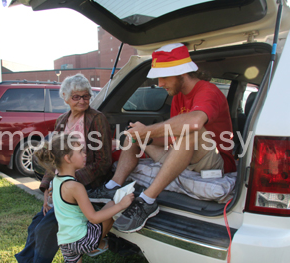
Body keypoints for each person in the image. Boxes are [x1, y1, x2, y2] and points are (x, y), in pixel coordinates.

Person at [0, 74, 113, 263]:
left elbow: (103, 162)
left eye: (86, 96)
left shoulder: (96, 119)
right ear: (64, 98)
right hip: (65, 186)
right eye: (76, 97)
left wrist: (68, 183)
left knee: (46, 228)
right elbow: (55, 159)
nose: (83, 101)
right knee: (36, 224)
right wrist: (47, 188)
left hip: (84, 186)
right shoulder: (61, 121)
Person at [88, 43, 237, 233]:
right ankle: (113, 185)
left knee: (189, 129)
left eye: (164, 77)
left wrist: (148, 131)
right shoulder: (178, 98)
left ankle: (148, 200)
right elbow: (172, 138)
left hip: (214, 163)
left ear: (182, 74)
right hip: (183, 156)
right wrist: (141, 136)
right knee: (133, 135)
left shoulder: (208, 91)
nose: (160, 84)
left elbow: (194, 123)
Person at [34, 134, 133, 263]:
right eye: (80, 151)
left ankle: (98, 245)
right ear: (67, 158)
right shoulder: (75, 187)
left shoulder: (57, 181)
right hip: (82, 239)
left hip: (65, 242)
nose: (85, 154)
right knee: (109, 206)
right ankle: (99, 244)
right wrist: (120, 205)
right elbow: (94, 218)